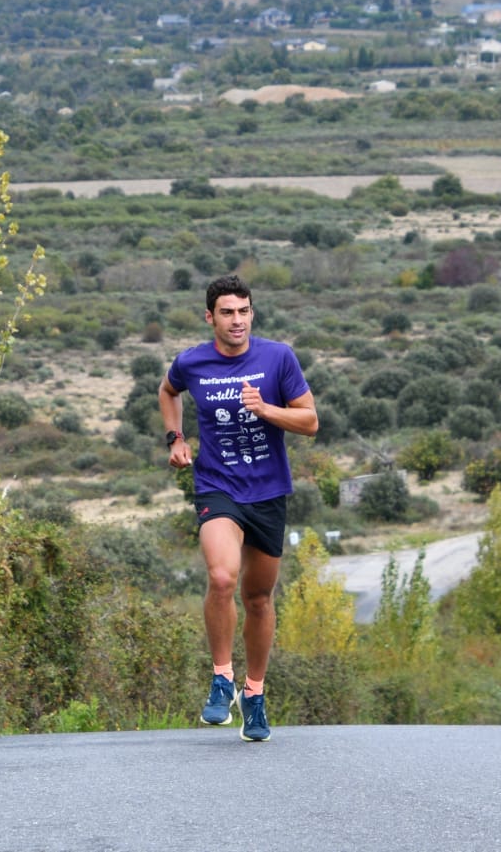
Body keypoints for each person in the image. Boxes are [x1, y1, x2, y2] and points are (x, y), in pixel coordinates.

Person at [160, 274, 318, 743]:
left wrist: (268, 410)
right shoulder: (192, 362)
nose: (237, 321)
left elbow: (309, 421)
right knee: (222, 577)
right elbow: (168, 392)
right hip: (217, 486)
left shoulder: (277, 357)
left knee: (258, 598)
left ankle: (254, 694)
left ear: (252, 313)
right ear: (210, 317)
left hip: (268, 491)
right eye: (227, 312)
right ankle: (222, 677)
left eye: (244, 311)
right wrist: (175, 438)